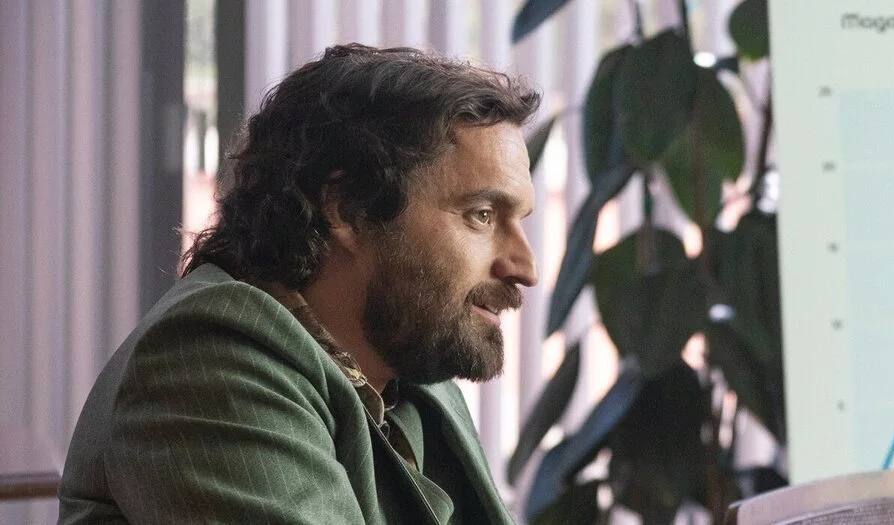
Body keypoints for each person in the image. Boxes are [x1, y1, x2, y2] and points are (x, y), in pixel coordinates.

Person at [59, 44, 540, 524]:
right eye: (481, 215)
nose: (525, 267)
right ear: (349, 208)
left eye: (519, 221)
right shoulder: (212, 360)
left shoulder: (407, 362)